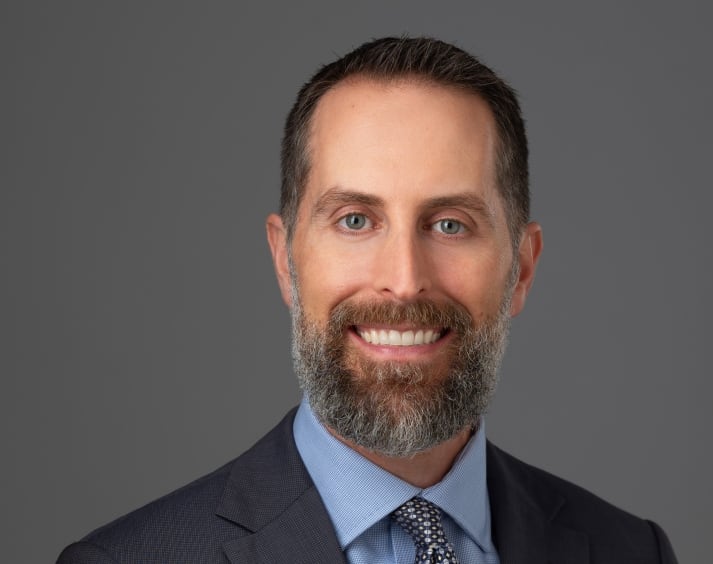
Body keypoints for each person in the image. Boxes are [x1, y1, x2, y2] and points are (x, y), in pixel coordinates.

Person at [57, 36, 678, 564]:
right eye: (355, 220)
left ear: (521, 269)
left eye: (450, 224)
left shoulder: (629, 550)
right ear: (285, 261)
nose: (404, 281)